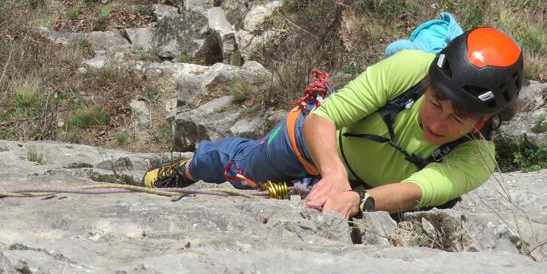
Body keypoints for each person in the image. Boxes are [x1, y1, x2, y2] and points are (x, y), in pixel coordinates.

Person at [144, 27, 523, 219]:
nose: (438, 122)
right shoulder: (409, 70)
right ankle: (194, 164)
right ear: (429, 83)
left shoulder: (476, 158)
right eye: (436, 101)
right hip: (314, 145)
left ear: (484, 121)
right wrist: (334, 174)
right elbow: (324, 117)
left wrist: (359, 199)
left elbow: (418, 190)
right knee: (243, 169)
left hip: (359, 186)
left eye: (459, 117)